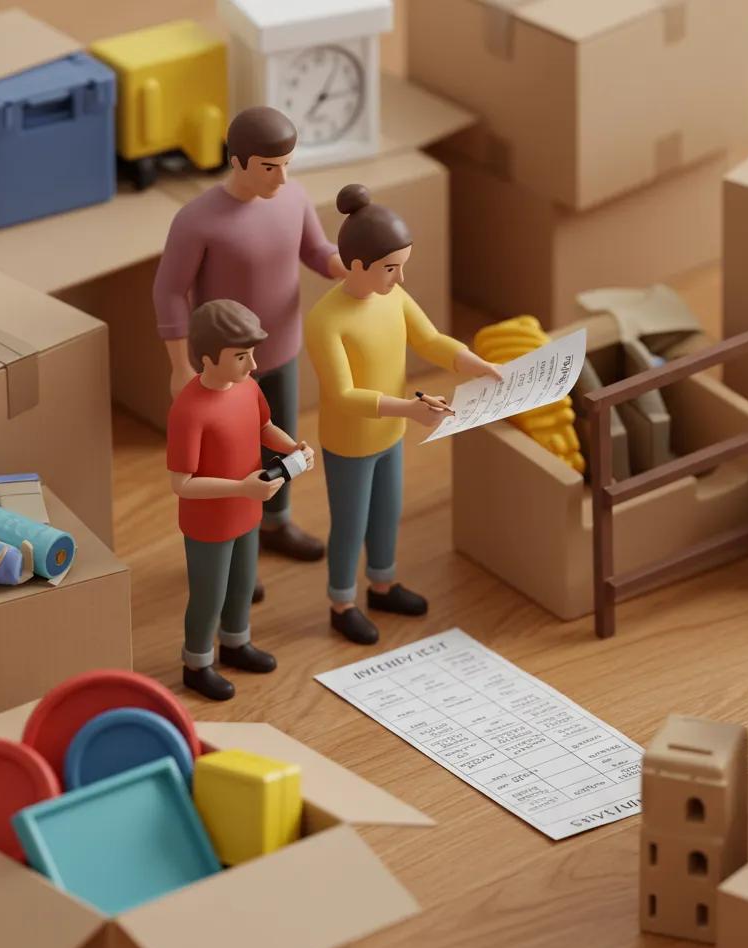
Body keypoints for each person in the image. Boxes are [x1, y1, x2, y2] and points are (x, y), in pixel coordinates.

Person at [154, 106, 343, 601]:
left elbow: (316, 251)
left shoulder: (294, 196)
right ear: (238, 161)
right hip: (226, 369)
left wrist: (347, 266)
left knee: (281, 442)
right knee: (229, 458)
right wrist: (180, 365)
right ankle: (238, 547)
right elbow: (170, 291)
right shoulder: (198, 220)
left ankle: (275, 522)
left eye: (287, 164)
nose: (281, 177)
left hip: (281, 348)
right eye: (268, 167)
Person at [306, 184, 501, 646]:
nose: (400, 279)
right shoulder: (326, 320)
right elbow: (342, 395)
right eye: (391, 268)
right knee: (350, 524)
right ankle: (341, 601)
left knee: (388, 512)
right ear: (356, 266)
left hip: (390, 432)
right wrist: (410, 410)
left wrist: (473, 362)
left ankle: (383, 583)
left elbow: (429, 339)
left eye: (402, 267)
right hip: (350, 440)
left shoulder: (392, 298)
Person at [168, 299, 315, 701]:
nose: (253, 366)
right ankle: (197, 662)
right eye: (241, 356)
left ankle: (236, 642)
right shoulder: (189, 409)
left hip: (247, 511)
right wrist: (240, 488)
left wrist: (292, 448)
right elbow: (181, 483)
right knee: (209, 593)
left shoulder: (249, 388)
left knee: (242, 584)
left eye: (252, 355)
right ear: (207, 359)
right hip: (209, 523)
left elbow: (264, 426)